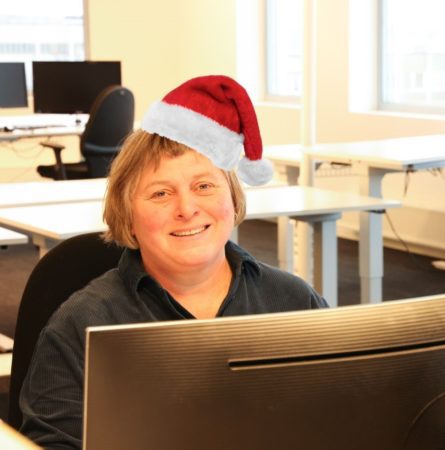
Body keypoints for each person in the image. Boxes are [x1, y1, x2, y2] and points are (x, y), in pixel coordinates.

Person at [18, 75, 328, 449]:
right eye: (161, 193)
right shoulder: (81, 324)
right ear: (128, 215)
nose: (187, 209)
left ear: (232, 199)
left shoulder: (292, 303)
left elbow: (346, 417)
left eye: (204, 186)